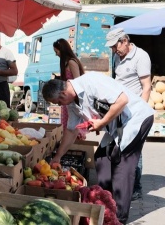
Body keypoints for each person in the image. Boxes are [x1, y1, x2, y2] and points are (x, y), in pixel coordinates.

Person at [42, 72, 154, 224]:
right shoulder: (71, 103)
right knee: (102, 160)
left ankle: (119, 218)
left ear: (62, 94)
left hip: (136, 119)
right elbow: (71, 131)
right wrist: (57, 157)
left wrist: (101, 123)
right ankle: (106, 205)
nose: (60, 106)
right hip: (116, 125)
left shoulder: (91, 82)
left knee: (122, 167)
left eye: (58, 103)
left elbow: (122, 100)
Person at [106, 27, 152, 201]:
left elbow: (146, 86)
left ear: (124, 41)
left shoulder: (141, 56)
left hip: (134, 112)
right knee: (120, 147)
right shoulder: (117, 56)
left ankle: (136, 187)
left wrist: (140, 112)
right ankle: (122, 183)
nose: (113, 50)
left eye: (115, 46)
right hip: (120, 110)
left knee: (134, 150)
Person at [53, 38, 85, 139]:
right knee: (68, 125)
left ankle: (73, 143)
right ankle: (69, 143)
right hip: (68, 100)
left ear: (62, 50)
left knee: (73, 127)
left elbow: (78, 81)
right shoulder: (65, 63)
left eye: (56, 51)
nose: (56, 54)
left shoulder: (71, 62)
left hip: (72, 99)